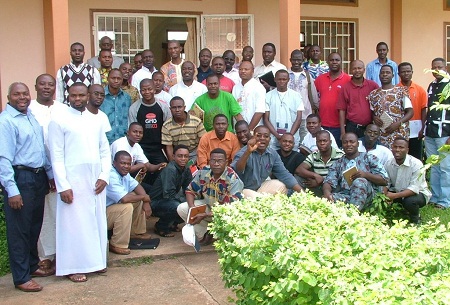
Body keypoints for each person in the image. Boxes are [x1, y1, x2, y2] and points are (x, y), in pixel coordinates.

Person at [48, 83, 111, 283]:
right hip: (72, 180)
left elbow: (104, 151)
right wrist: (63, 185)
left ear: (88, 96)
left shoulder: (97, 120)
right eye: (73, 95)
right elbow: (56, 156)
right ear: (68, 96)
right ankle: (72, 266)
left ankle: (96, 262)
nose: (77, 99)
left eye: (81, 95)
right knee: (74, 224)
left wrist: (104, 176)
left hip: (95, 180)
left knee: (95, 221)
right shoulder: (59, 120)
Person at [0, 82, 54, 292]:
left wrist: (49, 173)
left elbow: (40, 148)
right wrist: (12, 189)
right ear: (9, 96)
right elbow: (3, 158)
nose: (21, 97)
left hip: (38, 177)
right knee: (19, 231)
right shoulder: (6, 121)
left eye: (24, 94)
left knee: (33, 226)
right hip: (20, 177)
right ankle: (21, 277)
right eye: (17, 94)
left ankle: (32, 266)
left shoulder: (29, 116)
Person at [29, 75, 66, 272]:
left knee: (61, 211)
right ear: (36, 86)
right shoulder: (29, 109)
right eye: (42, 84)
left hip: (61, 168)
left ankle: (63, 252)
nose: (46, 87)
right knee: (44, 214)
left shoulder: (62, 109)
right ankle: (45, 256)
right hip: (38, 169)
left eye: (50, 84)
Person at [177, 148, 244, 244]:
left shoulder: (232, 178)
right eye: (213, 160)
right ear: (209, 161)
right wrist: (193, 209)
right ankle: (206, 234)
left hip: (226, 213)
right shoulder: (204, 171)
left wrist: (205, 215)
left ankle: (220, 234)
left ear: (226, 162)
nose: (216, 164)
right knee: (182, 208)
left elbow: (230, 207)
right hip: (209, 206)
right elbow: (190, 190)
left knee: (230, 216)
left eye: (220, 161)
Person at [231, 125, 303, 198]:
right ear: (253, 137)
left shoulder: (272, 154)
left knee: (281, 186)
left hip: (259, 188)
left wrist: (302, 193)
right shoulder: (244, 151)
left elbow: (284, 174)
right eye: (258, 136)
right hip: (242, 190)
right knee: (258, 198)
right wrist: (248, 152)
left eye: (266, 136)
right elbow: (238, 170)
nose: (262, 138)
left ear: (269, 139)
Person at [322, 132, 388, 211]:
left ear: (358, 144)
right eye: (345, 142)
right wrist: (327, 193)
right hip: (346, 195)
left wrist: (366, 175)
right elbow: (328, 182)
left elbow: (384, 180)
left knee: (359, 181)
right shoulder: (338, 163)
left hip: (369, 196)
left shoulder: (369, 158)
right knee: (327, 199)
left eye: (352, 142)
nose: (348, 144)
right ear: (342, 145)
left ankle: (353, 214)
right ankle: (351, 211)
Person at [106, 151, 152, 255]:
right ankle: (117, 244)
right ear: (114, 163)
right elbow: (124, 199)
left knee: (137, 197)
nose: (126, 166)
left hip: (112, 209)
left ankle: (135, 232)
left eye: (128, 164)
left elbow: (137, 187)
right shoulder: (111, 175)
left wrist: (145, 201)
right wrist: (145, 198)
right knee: (127, 206)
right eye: (123, 163)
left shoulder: (124, 173)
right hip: (101, 215)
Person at [128, 79, 171, 183]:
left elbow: (168, 129)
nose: (147, 92)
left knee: (164, 171)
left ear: (154, 89)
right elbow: (131, 130)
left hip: (158, 149)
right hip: (141, 148)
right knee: (141, 174)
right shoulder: (134, 108)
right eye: (143, 90)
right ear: (140, 91)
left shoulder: (163, 107)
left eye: (149, 89)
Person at [384, 137, 431, 224]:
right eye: (395, 147)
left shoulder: (416, 164)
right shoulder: (388, 163)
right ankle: (400, 213)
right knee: (380, 196)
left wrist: (393, 196)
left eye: (401, 147)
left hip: (418, 194)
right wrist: (384, 195)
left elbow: (414, 189)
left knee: (410, 201)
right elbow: (386, 182)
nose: (397, 150)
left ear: (407, 150)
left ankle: (415, 219)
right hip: (398, 191)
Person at [148, 145, 193, 237]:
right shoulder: (170, 169)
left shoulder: (186, 169)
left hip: (169, 200)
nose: (183, 159)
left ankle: (172, 223)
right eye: (180, 156)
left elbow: (189, 188)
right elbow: (169, 194)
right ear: (173, 157)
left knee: (192, 205)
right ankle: (161, 226)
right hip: (156, 202)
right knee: (179, 206)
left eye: (186, 156)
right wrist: (185, 202)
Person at [424, 57, 450, 209]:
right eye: (434, 67)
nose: (437, 70)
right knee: (434, 166)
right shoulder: (432, 86)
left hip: (445, 132)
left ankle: (445, 200)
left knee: (446, 167)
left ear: (445, 67)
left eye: (439, 67)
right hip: (430, 131)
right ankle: (434, 197)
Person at [368, 65, 414, 149]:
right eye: (382, 73)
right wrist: (374, 117)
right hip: (381, 135)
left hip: (399, 133)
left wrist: (398, 123)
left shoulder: (401, 91)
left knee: (398, 158)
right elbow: (372, 112)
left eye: (388, 72)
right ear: (379, 75)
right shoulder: (373, 94)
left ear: (393, 75)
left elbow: (410, 112)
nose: (385, 74)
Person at [315, 52, 351, 147]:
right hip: (322, 124)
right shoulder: (320, 79)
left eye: (337, 60)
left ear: (341, 62)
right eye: (331, 60)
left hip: (339, 126)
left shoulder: (348, 80)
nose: (334, 62)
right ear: (327, 62)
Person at [264, 69, 304, 149]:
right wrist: (278, 136)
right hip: (274, 137)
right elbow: (266, 119)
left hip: (291, 137)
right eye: (279, 79)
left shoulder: (296, 96)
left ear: (288, 80)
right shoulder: (268, 96)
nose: (281, 81)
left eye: (284, 79)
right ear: (275, 79)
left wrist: (289, 137)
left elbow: (299, 118)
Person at [337, 60, 379, 138]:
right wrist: (343, 131)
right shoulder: (346, 88)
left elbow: (380, 104)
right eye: (354, 68)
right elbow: (342, 110)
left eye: (359, 68)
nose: (357, 71)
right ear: (350, 70)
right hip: (352, 127)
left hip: (370, 127)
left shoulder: (373, 86)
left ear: (364, 70)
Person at [297, 130, 344, 196]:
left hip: (335, 187)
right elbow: (299, 170)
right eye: (319, 141)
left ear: (330, 142)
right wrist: (315, 175)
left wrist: (322, 181)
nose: (322, 143)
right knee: (298, 178)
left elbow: (342, 177)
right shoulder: (314, 155)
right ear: (316, 143)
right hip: (318, 186)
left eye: (325, 141)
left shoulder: (340, 155)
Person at [397, 62, 427, 160]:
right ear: (398, 74)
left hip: (416, 128)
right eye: (403, 72)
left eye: (408, 71)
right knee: (401, 154)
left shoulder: (420, 89)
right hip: (400, 128)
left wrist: (423, 128)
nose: (406, 74)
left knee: (416, 156)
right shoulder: (395, 90)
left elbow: (423, 109)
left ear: (412, 72)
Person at [162, 96, 206, 163]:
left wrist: (201, 158)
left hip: (194, 153)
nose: (177, 110)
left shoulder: (196, 121)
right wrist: (172, 164)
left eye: (179, 107)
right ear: (170, 109)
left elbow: (203, 142)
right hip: (178, 154)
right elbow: (169, 147)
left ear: (184, 107)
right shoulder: (166, 125)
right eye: (174, 107)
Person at [288, 49, 319, 142]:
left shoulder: (307, 76)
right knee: (289, 139)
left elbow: (313, 95)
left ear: (303, 60)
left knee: (305, 140)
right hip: (289, 115)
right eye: (294, 60)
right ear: (290, 60)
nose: (296, 62)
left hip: (305, 114)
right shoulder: (285, 74)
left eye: (299, 60)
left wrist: (316, 109)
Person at [232, 60, 266, 130]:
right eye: (240, 69)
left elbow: (259, 111)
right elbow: (234, 110)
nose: (243, 71)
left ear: (253, 71)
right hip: (239, 130)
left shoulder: (258, 87)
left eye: (246, 69)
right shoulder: (236, 87)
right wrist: (242, 130)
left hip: (254, 129)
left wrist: (249, 130)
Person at [100, 69, 132, 144]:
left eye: (119, 78)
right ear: (108, 79)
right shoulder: (100, 96)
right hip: (104, 140)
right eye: (113, 78)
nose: (116, 81)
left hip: (123, 140)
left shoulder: (127, 98)